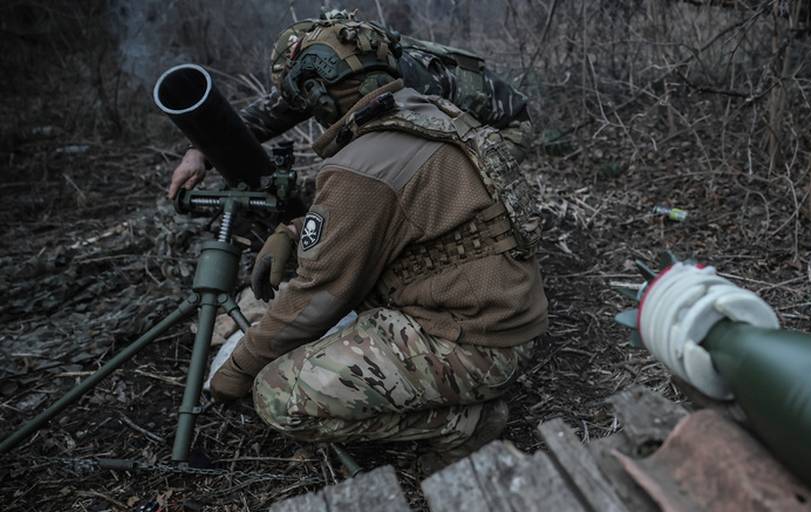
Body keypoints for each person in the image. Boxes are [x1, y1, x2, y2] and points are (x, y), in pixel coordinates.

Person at [206, 12, 547, 473]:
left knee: (276, 393)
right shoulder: (432, 114)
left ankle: (463, 423)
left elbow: (315, 297)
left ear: (319, 95)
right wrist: (294, 231)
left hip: (475, 344)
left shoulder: (360, 164)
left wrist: (236, 372)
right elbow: (396, 210)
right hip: (508, 319)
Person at [168, 9, 534, 199]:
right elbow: (265, 116)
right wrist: (198, 150)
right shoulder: (329, 70)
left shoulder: (407, 80)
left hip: (502, 127)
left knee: (438, 197)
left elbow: (420, 157)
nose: (308, 101)